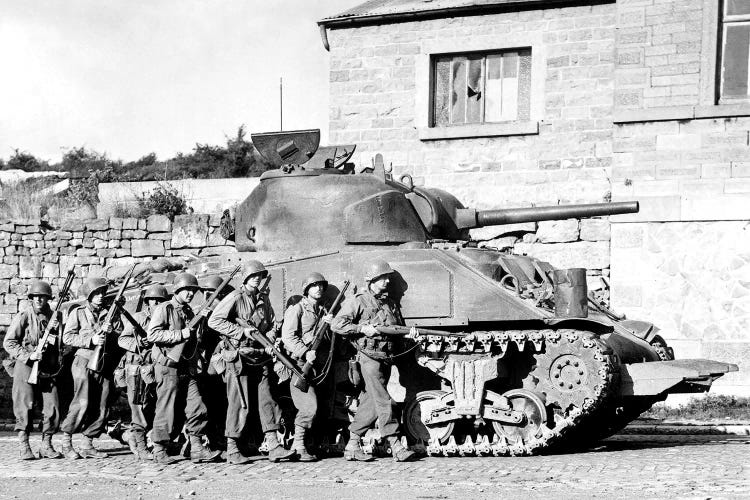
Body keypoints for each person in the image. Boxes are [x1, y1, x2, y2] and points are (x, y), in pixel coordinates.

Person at [208, 260, 295, 464]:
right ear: (245, 278)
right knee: (239, 403)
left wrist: (271, 340)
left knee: (268, 400)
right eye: (253, 275)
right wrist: (240, 331)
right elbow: (214, 321)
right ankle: (232, 449)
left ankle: (273, 445)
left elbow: (272, 324)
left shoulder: (263, 299)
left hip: (260, 355)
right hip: (239, 357)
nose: (257, 278)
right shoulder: (235, 297)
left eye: (260, 275)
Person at [331, 259, 417, 462]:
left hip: (385, 358)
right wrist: (361, 328)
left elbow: (396, 328)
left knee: (370, 402)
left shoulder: (389, 303)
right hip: (368, 359)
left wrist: (410, 334)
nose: (386, 281)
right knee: (383, 399)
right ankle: (395, 444)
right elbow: (337, 324)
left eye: (387, 278)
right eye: (382, 278)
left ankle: (352, 445)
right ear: (371, 280)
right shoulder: (358, 301)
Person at [146, 272, 221, 464]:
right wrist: (181, 334)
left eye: (193, 291)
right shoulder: (165, 308)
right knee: (166, 408)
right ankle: (159, 449)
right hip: (168, 366)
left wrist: (201, 321)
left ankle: (197, 448)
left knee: (197, 406)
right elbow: (153, 335)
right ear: (177, 289)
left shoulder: (188, 311)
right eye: (186, 290)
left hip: (187, 366)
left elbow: (196, 340)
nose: (190, 294)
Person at [60, 277, 123, 459]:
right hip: (83, 361)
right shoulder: (78, 313)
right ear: (89, 296)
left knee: (102, 404)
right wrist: (90, 340)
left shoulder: (110, 313)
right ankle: (66, 442)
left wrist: (112, 332)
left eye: (102, 293)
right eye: (96, 293)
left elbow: (121, 337)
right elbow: (68, 338)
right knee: (82, 403)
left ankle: (88, 443)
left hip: (103, 363)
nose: (101, 296)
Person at [3, 280, 63, 460]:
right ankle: (24, 445)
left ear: (48, 299)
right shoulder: (24, 316)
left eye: (43, 297)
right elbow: (9, 342)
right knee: (24, 404)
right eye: (36, 297)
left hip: (48, 368)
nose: (39, 300)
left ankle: (46, 445)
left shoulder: (55, 317)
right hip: (26, 365)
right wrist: (29, 355)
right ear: (31, 298)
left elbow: (60, 343)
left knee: (52, 405)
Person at [281, 272, 332, 462]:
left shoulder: (322, 311)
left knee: (317, 407)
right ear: (306, 289)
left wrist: (329, 324)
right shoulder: (298, 309)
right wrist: (304, 352)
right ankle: (298, 446)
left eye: (321, 285)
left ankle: (303, 445)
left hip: (316, 365)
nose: (318, 288)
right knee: (309, 406)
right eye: (314, 285)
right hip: (299, 364)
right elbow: (288, 336)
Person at [117, 283, 169, 460]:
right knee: (138, 407)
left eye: (159, 300)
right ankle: (140, 447)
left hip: (156, 368)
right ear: (147, 302)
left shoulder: (165, 319)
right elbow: (123, 340)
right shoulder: (138, 318)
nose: (155, 303)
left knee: (152, 406)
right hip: (137, 369)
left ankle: (136, 437)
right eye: (152, 300)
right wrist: (140, 345)